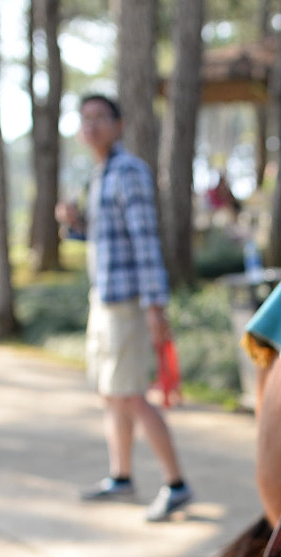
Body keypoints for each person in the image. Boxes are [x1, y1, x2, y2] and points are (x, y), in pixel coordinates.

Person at [56, 93, 193, 522]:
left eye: (100, 117)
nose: (92, 125)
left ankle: (176, 485)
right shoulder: (99, 174)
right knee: (110, 393)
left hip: (130, 302)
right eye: (85, 118)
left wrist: (155, 305)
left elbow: (145, 240)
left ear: (119, 124)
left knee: (131, 394)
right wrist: (75, 226)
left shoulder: (129, 171)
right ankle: (121, 476)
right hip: (105, 298)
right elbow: (104, 239)